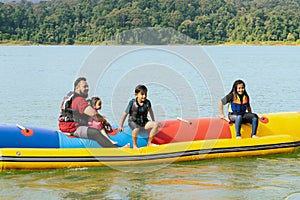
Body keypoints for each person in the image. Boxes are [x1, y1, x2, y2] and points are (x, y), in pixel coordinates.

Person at [58, 77, 128, 147]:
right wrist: (104, 121)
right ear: (77, 88)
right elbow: (94, 115)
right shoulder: (78, 100)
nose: (87, 89)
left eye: (87, 86)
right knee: (95, 132)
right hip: (72, 128)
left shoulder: (70, 97)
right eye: (84, 87)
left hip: (63, 125)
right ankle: (115, 151)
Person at [118, 84, 159, 149]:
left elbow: (151, 112)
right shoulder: (132, 102)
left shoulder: (148, 102)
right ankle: (135, 145)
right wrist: (120, 126)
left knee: (155, 125)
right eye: (142, 94)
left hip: (143, 122)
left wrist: (153, 120)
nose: (144, 96)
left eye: (146, 94)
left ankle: (149, 143)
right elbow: (125, 114)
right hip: (133, 121)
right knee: (136, 128)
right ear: (136, 94)